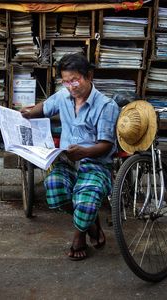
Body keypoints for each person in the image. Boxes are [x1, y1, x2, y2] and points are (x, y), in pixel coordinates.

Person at [21, 53, 119, 260]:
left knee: (85, 200)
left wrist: (83, 152)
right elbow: (44, 108)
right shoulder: (62, 96)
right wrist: (28, 113)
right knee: (55, 191)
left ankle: (79, 235)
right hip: (66, 161)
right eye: (65, 81)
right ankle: (91, 223)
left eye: (75, 80)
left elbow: (106, 145)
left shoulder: (106, 106)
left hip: (95, 163)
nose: (70, 86)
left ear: (89, 75)